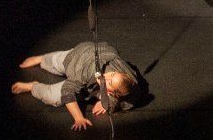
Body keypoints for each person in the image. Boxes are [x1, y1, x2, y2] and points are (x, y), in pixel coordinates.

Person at [11, 40, 146, 130]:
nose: (107, 75)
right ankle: (41, 59)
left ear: (111, 92)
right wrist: (78, 118)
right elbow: (67, 92)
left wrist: (108, 102)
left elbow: (123, 98)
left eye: (110, 81)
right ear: (119, 72)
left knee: (51, 96)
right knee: (56, 63)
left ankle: (33, 86)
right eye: (112, 74)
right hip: (78, 56)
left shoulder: (131, 86)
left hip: (93, 80)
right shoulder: (84, 72)